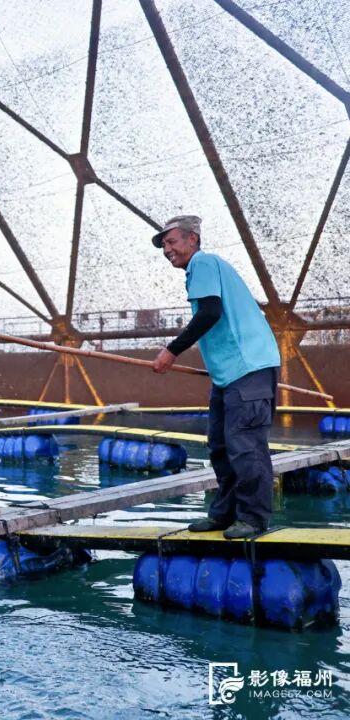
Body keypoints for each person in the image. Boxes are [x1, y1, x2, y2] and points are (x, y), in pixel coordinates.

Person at [150, 215, 281, 539]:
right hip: (228, 376)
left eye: (172, 242)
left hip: (248, 368)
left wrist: (172, 350)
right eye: (164, 245)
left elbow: (210, 312)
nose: (167, 250)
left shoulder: (203, 262)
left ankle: (253, 519)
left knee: (245, 445)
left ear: (192, 239)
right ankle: (224, 514)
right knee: (221, 445)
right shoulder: (202, 270)